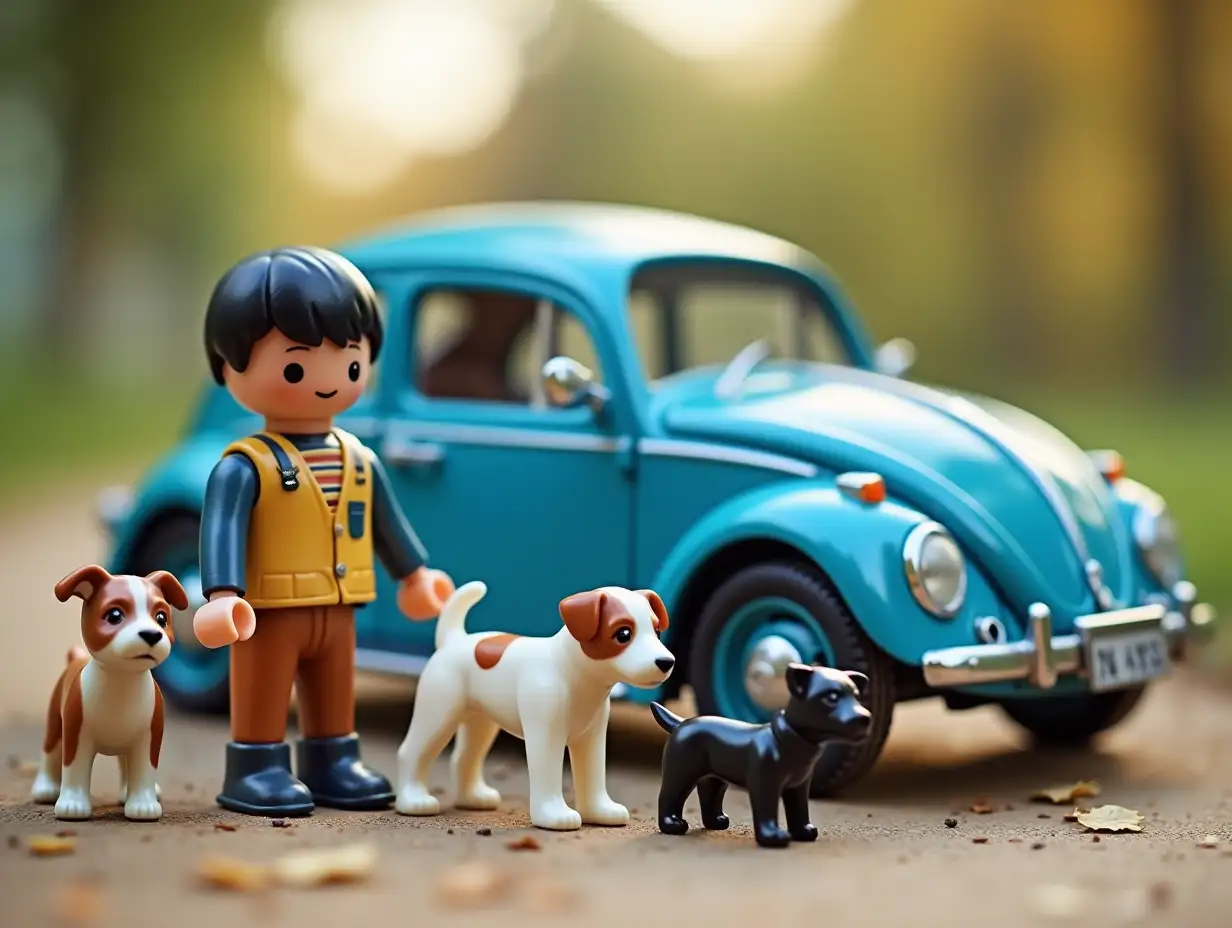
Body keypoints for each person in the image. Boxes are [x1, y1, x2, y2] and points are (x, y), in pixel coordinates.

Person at [195, 245, 454, 817]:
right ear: (226, 368)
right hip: (268, 608)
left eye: (352, 364)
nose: (329, 381)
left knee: (334, 687)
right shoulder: (246, 464)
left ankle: (332, 758)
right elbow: (223, 527)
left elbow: (386, 521)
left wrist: (413, 573)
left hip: (338, 603)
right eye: (295, 367)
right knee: (264, 687)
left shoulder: (359, 458)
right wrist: (221, 594)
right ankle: (257, 763)